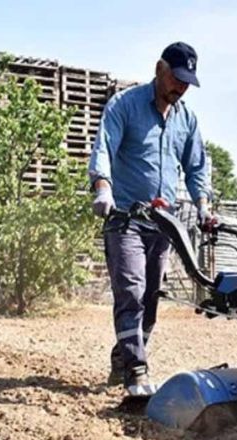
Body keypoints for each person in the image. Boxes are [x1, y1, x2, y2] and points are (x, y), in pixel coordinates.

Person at [87, 41, 214, 396]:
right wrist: (102, 188)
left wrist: (203, 205)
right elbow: (103, 148)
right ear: (159, 69)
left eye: (187, 82)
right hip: (125, 217)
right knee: (131, 292)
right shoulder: (124, 105)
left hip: (163, 223)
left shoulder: (186, 119)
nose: (181, 87)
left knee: (152, 299)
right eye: (176, 78)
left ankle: (123, 356)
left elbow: (197, 167)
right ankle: (136, 370)